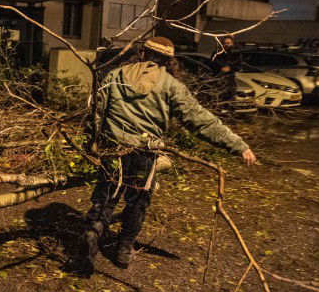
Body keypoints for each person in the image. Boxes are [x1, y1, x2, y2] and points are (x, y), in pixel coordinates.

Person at [83, 36, 258, 271]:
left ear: (143, 53)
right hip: (145, 153)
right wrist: (238, 145)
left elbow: (95, 112)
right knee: (137, 201)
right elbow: (200, 120)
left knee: (107, 193)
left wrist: (92, 144)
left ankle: (95, 229)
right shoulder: (170, 85)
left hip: (114, 148)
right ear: (168, 60)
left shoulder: (115, 76)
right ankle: (124, 250)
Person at [211, 35, 242, 103]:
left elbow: (238, 66)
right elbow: (212, 64)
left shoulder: (236, 55)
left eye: (228, 43)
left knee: (230, 99)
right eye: (225, 43)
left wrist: (230, 68)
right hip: (218, 79)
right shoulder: (217, 54)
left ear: (232, 43)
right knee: (218, 99)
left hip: (230, 80)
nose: (226, 45)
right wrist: (221, 68)